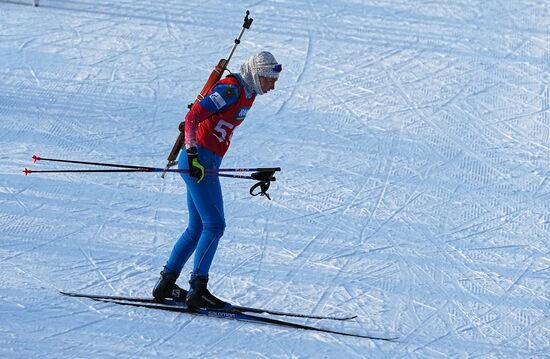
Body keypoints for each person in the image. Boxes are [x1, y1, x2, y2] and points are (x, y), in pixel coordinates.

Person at [152, 51, 282, 309]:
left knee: (198, 226)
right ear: (258, 74)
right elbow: (192, 118)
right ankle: (198, 288)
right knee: (215, 225)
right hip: (197, 161)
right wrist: (192, 154)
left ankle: (166, 283)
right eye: (270, 79)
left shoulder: (249, 93)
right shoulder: (231, 90)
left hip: (208, 162)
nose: (273, 86)